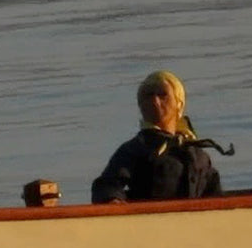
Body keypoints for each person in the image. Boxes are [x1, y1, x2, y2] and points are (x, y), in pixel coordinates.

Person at [91, 70, 224, 202]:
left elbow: (214, 196)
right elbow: (106, 185)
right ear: (140, 105)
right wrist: (113, 200)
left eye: (162, 95)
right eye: (148, 95)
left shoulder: (198, 155)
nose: (155, 100)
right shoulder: (135, 149)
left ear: (179, 104)